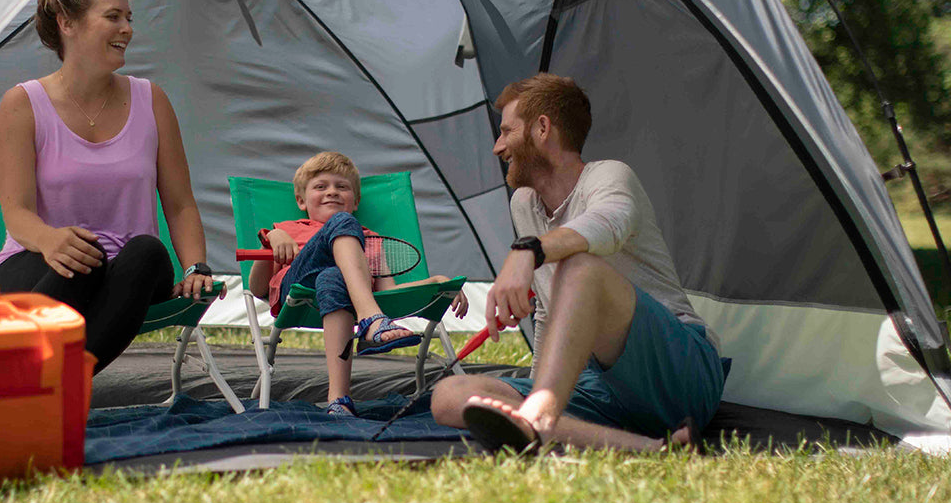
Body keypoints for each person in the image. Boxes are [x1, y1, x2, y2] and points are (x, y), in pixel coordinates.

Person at [431, 73, 726, 453]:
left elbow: (609, 224)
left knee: (581, 267)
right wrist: (540, 382)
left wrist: (528, 251)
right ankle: (654, 449)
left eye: (506, 131)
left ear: (541, 128)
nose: (497, 146)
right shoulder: (524, 203)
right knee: (451, 395)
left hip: (679, 375)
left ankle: (539, 414)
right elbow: (545, 315)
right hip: (596, 384)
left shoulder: (607, 175)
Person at [0, 0, 222, 373]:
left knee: (148, 250)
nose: (127, 29)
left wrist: (196, 267)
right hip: (42, 262)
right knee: (87, 256)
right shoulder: (22, 104)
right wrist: (50, 240)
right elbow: (16, 214)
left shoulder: (152, 100)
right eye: (113, 17)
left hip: (130, 274)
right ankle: (45, 387)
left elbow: (181, 204)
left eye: (128, 18)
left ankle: (42, 387)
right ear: (67, 23)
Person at [247, 151, 468, 417]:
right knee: (342, 223)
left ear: (356, 200)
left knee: (332, 276)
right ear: (301, 200)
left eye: (342, 187)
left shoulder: (370, 240)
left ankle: (339, 400)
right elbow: (258, 289)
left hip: (342, 294)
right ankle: (370, 320)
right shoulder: (287, 229)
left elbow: (387, 293)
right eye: (321, 186)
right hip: (299, 289)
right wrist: (271, 238)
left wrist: (434, 283)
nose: (332, 192)